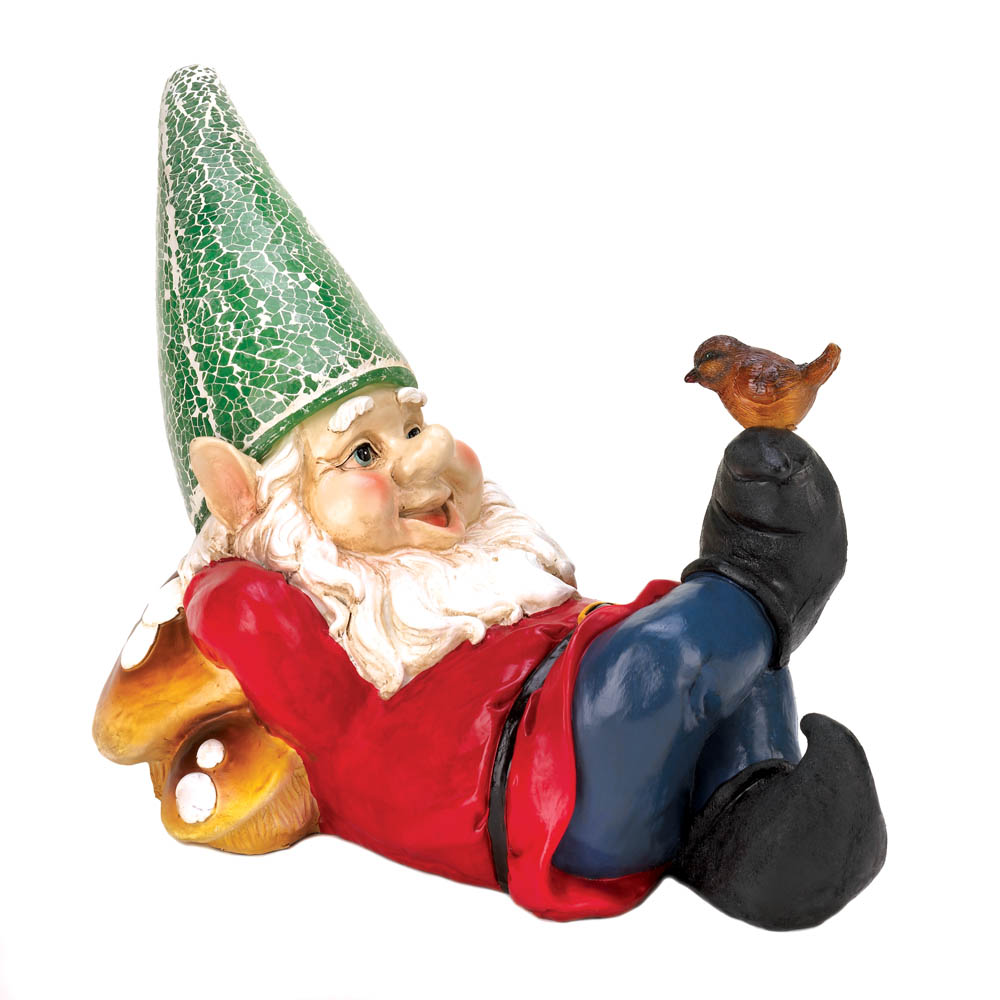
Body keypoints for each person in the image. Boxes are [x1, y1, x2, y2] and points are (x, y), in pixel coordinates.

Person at [93, 65, 885, 930]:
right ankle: (763, 580)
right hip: (541, 784)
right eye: (364, 452)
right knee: (660, 667)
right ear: (255, 503)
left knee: (731, 673)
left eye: (414, 425)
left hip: (595, 683)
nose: (424, 456)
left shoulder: (466, 577)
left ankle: (757, 828)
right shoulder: (267, 598)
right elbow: (211, 648)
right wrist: (225, 564)